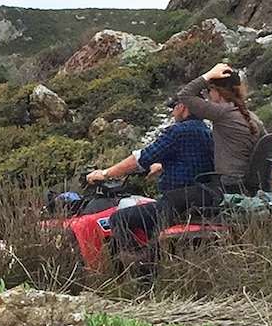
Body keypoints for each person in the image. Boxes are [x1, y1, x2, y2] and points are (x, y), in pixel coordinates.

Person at [86, 99, 214, 271]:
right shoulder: (206, 131)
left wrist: (105, 173)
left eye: (173, 108)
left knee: (119, 219)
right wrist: (163, 165)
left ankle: (140, 265)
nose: (171, 112)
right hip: (201, 197)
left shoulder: (176, 131)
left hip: (175, 201)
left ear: (182, 107)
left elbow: (141, 158)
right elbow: (194, 158)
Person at [176, 62, 266, 193]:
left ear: (217, 92)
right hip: (249, 186)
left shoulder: (222, 112)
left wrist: (208, 75)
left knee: (172, 199)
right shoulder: (252, 118)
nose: (209, 94)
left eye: (209, 90)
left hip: (228, 186)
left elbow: (184, 96)